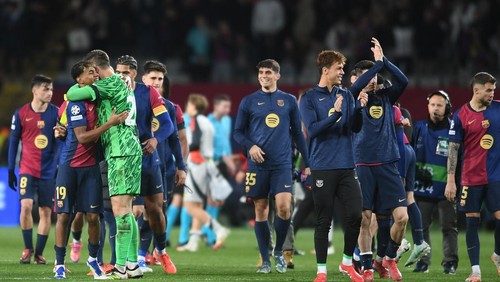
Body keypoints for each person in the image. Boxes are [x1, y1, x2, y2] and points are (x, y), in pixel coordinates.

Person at [299, 38, 381, 282]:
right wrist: (335, 113)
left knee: (356, 215)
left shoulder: (346, 94)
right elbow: (312, 130)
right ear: (326, 70)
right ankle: (321, 271)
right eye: (339, 69)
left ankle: (347, 263)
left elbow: (354, 126)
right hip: (323, 166)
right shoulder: (309, 98)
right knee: (323, 221)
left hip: (347, 165)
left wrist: (378, 65)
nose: (342, 73)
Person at [66, 49, 143, 279]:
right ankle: (132, 264)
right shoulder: (121, 83)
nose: (92, 76)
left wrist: (81, 82)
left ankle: (120, 265)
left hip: (120, 152)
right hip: (130, 150)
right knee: (127, 210)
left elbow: (71, 93)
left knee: (120, 211)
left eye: (91, 72)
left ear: (96, 70)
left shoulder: (109, 83)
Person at [233, 59, 310, 274]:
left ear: (277, 75)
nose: (263, 76)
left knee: (284, 208)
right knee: (261, 209)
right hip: (258, 165)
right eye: (260, 72)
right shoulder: (248, 101)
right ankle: (265, 259)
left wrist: (309, 162)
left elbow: (297, 134)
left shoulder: (289, 101)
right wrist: (251, 146)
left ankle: (279, 252)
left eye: (268, 72)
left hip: (282, 164)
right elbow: (238, 132)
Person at [53, 60, 128, 279]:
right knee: (64, 216)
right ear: (79, 80)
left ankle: (93, 261)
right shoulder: (76, 104)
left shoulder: (95, 99)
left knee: (94, 217)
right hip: (70, 168)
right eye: (89, 73)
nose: (94, 75)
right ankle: (59, 263)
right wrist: (110, 123)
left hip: (91, 168)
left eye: (95, 71)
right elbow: (83, 137)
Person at [352, 38, 409, 282]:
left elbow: (404, 81)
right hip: (362, 164)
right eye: (368, 76)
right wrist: (375, 67)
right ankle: (366, 267)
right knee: (364, 219)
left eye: (375, 75)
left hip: (387, 163)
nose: (373, 79)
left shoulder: (386, 96)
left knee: (401, 217)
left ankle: (388, 258)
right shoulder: (352, 96)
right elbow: (362, 84)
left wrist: (383, 61)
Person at [115, 55, 177, 275]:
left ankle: (160, 249)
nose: (122, 76)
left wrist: (154, 139)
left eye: (126, 72)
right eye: (118, 71)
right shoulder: (108, 91)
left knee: (155, 210)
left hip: (148, 159)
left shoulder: (148, 93)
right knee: (126, 211)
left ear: (134, 73)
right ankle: (127, 260)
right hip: (121, 160)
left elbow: (167, 125)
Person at [445, 72, 500, 282]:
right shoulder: (460, 116)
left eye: (493, 90)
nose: (492, 93)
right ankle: (476, 271)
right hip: (471, 178)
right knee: (472, 222)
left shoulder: (498, 108)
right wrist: (451, 180)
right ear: (476, 90)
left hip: (496, 176)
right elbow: (453, 149)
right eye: (488, 90)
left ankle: (497, 255)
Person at [8, 74, 59, 265]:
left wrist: (59, 164)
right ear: (34, 90)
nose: (49, 92)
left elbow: (61, 141)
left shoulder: (56, 113)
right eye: (46, 88)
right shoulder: (20, 114)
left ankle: (38, 252)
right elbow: (14, 143)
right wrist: (11, 170)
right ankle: (27, 248)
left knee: (46, 211)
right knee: (26, 205)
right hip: (27, 168)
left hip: (48, 171)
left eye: (51, 89)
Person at [141, 60, 187, 261]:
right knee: (139, 210)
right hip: (139, 165)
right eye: (153, 78)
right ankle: (140, 254)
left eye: (160, 79)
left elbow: (177, 140)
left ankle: (152, 252)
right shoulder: (134, 103)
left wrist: (181, 166)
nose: (157, 82)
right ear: (143, 79)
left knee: (158, 211)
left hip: (165, 168)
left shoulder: (171, 108)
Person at [412, 90, 458, 274]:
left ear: (447, 107)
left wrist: (453, 182)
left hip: (446, 187)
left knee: (449, 227)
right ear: (427, 106)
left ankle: (450, 262)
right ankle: (423, 261)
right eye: (432, 104)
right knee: (421, 227)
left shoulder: (454, 129)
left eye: (439, 105)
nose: (435, 109)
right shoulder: (419, 127)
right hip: (422, 186)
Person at [179, 94, 231, 252]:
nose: (187, 107)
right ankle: (193, 242)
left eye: (189, 104)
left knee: (189, 206)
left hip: (196, 164)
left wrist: (182, 145)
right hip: (207, 163)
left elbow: (194, 142)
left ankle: (218, 229)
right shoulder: (207, 121)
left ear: (194, 106)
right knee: (198, 204)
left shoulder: (195, 121)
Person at [393, 104, 431, 270]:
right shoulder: (401, 110)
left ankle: (400, 242)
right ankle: (419, 241)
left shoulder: (382, 107)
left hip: (398, 152)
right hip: (408, 150)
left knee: (390, 200)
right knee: (408, 197)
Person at [206, 94, 236, 247]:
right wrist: (225, 159)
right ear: (216, 106)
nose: (227, 110)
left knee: (219, 200)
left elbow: (226, 143)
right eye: (225, 106)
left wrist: (230, 161)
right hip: (211, 163)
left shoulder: (227, 121)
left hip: (223, 164)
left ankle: (209, 233)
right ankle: (210, 236)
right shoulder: (207, 122)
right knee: (212, 200)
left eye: (229, 107)